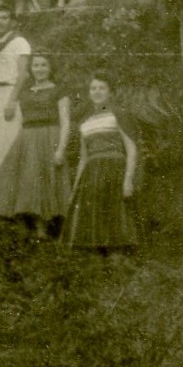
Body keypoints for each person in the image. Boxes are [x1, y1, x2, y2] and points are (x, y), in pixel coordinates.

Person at [0, 53, 72, 238]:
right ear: (31, 69)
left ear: (50, 68)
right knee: (26, 180)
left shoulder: (59, 90)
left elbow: (65, 121)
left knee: (44, 180)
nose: (39, 69)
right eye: (36, 65)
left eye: (44, 65)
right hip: (27, 137)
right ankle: (25, 221)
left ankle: (44, 227)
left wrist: (61, 148)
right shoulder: (25, 91)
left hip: (49, 136)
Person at [61, 73, 139, 253]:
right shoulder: (85, 122)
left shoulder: (119, 114)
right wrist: (75, 188)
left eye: (102, 88)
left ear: (110, 92)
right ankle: (98, 260)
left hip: (115, 169)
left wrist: (128, 179)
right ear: (89, 92)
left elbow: (131, 149)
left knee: (116, 214)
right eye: (93, 88)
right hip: (92, 174)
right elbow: (83, 158)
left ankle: (118, 259)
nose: (97, 92)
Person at [0, 3, 32, 176]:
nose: (0, 21)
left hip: (9, 92)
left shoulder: (20, 42)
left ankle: (9, 186)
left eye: (4, 18)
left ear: (12, 21)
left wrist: (12, 100)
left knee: (6, 143)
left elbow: (23, 73)